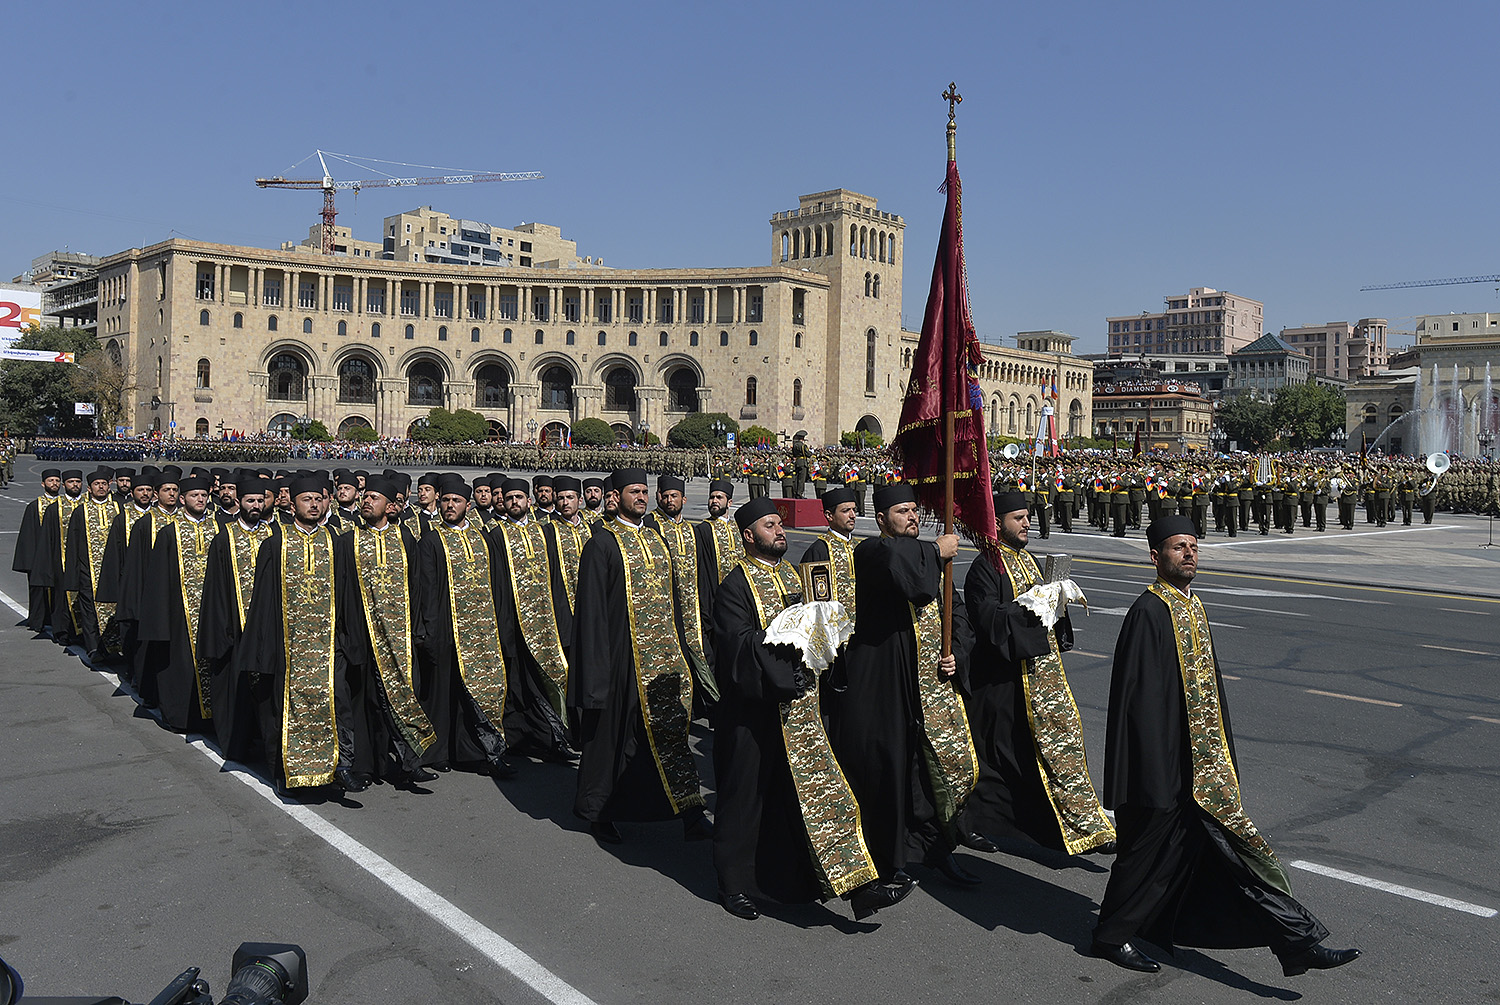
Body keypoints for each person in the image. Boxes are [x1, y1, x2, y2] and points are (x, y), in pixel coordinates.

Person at [1092, 514, 1361, 976]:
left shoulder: (1193, 606)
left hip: (1202, 769)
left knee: (1239, 857)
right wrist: (1156, 776)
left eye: (1194, 546)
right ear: (1156, 557)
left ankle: (1297, 943)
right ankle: (1109, 937)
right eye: (1179, 547)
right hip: (1163, 772)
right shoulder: (1148, 612)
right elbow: (1138, 704)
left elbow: (1210, 692)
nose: (1189, 554)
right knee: (1142, 856)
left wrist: (1222, 757)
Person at [712, 497, 911, 921]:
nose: (779, 532)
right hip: (756, 713)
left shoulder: (794, 575)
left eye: (779, 525)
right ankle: (734, 884)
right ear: (748, 536)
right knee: (746, 798)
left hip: (802, 709)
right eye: (769, 526)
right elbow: (736, 647)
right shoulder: (734, 585)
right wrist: (786, 642)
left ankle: (858, 888)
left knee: (824, 796)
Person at [824, 483, 979, 887]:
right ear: (881, 520)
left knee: (928, 773)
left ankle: (936, 849)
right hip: (885, 689)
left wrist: (957, 652)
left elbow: (957, 614)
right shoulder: (871, 552)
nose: (912, 517)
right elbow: (903, 568)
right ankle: (886, 863)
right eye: (901, 512)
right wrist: (936, 550)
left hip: (928, 690)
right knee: (890, 774)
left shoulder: (929, 557)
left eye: (914, 510)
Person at [960, 492, 1115, 858]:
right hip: (1006, 684)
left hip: (1043, 680)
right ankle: (978, 825)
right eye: (1018, 518)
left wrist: (1056, 600)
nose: (1027, 523)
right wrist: (1030, 607)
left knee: (1059, 752)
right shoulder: (986, 567)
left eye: (1027, 517)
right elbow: (989, 622)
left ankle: (1081, 827)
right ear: (997, 523)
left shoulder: (1029, 560)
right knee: (1004, 760)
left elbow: (1047, 619)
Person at [570, 469, 713, 844]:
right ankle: (600, 812)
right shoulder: (602, 543)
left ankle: (690, 812)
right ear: (616, 496)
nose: (642, 497)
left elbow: (674, 600)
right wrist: (597, 673)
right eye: (634, 491)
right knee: (612, 740)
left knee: (671, 734)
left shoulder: (656, 539)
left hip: (664, 659)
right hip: (622, 659)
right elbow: (592, 613)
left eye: (644, 492)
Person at [233, 474, 362, 795]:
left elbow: (348, 595)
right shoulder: (275, 544)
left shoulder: (336, 542)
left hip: (329, 647)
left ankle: (341, 767)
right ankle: (289, 776)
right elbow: (263, 602)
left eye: (318, 499)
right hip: (288, 647)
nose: (314, 505)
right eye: (307, 500)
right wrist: (265, 648)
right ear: (292, 505)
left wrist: (348, 640)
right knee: (285, 711)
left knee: (337, 704)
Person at [334, 475, 439, 786]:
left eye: (374, 498)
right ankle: (364, 766)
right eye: (365, 497)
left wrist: (418, 629)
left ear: (390, 506)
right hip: (362, 635)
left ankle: (410, 763)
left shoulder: (405, 539)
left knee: (402, 696)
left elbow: (417, 586)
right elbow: (342, 591)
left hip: (399, 636)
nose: (367, 502)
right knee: (364, 701)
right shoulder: (348, 540)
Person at [415, 475, 516, 778]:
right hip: (446, 629)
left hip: (483, 631)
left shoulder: (483, 538)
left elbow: (498, 583)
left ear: (467, 505)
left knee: (481, 691)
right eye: (446, 500)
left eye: (456, 501)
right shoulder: (431, 540)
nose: (450, 505)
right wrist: (431, 631)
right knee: (442, 694)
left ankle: (478, 752)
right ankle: (439, 752)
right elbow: (426, 589)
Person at [489, 478, 573, 761]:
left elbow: (556, 579)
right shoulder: (497, 536)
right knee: (516, 684)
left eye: (519, 497)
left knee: (546, 680)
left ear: (529, 500)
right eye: (509, 498)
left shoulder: (544, 532)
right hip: (513, 624)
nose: (514, 502)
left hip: (544, 623)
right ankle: (518, 740)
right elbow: (497, 584)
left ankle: (553, 739)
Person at [199, 473, 278, 762]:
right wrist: (224, 628)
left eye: (260, 500)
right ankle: (238, 744)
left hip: (267, 626)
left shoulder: (274, 536)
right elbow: (216, 588)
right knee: (237, 688)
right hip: (235, 624)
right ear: (240, 502)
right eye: (250, 501)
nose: (255, 505)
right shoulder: (224, 538)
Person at [138, 475, 220, 733]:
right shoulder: (169, 532)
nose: (200, 499)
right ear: (183, 499)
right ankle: (181, 718)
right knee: (180, 667)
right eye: (195, 495)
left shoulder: (218, 528)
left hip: (210, 611)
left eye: (204, 495)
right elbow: (159, 580)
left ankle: (212, 718)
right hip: (179, 612)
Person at [62, 470, 122, 661]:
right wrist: (74, 573)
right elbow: (73, 544)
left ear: (109, 486)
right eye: (97, 484)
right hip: (88, 569)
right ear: (89, 488)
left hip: (113, 569)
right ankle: (93, 647)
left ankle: (113, 647)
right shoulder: (81, 511)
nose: (101, 487)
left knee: (113, 608)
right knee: (89, 610)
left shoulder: (119, 508)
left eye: (104, 483)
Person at [12, 468, 62, 632]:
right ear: (43, 484)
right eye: (50, 481)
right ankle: (38, 620)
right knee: (39, 590)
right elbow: (28, 535)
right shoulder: (34, 506)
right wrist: (31, 562)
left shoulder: (65, 506)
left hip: (59, 555)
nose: (54, 484)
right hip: (40, 556)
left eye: (57, 481)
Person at [798, 487, 859, 615]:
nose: (852, 515)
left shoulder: (861, 547)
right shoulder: (819, 550)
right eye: (846, 511)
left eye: (854, 510)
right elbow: (814, 603)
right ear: (829, 515)